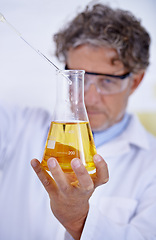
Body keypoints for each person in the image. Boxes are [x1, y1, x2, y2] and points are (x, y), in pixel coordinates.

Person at [0, 3, 156, 240]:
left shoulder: (151, 164)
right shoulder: (18, 125)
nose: (89, 98)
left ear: (134, 82)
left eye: (107, 81)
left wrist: (78, 221)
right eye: (79, 78)